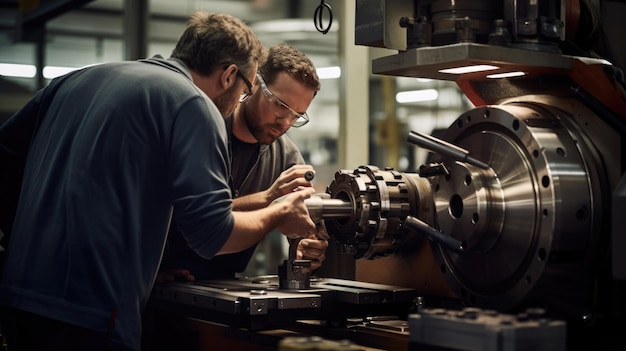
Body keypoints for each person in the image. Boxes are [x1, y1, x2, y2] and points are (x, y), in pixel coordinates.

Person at [0, 11, 317, 351]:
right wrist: (276, 212)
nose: (241, 96)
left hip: (19, 298)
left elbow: (5, 165)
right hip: (93, 311)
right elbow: (212, 233)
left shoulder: (73, 80)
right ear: (228, 76)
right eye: (248, 86)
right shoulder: (193, 103)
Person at [158, 43, 328, 283]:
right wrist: (269, 201)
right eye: (280, 105)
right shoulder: (203, 129)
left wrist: (306, 247)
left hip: (225, 283)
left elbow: (305, 224)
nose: (285, 123)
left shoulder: (286, 156)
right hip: (161, 279)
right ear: (255, 82)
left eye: (297, 115)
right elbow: (183, 215)